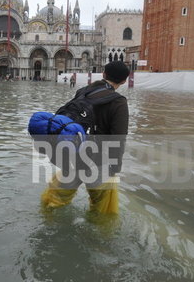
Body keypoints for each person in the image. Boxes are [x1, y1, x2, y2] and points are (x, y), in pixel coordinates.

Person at [41, 61, 130, 214]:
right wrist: (115, 167)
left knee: (56, 201)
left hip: (74, 155)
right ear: (123, 81)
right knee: (101, 209)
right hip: (99, 160)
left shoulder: (83, 91)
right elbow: (118, 138)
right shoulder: (118, 102)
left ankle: (48, 220)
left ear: (104, 74)